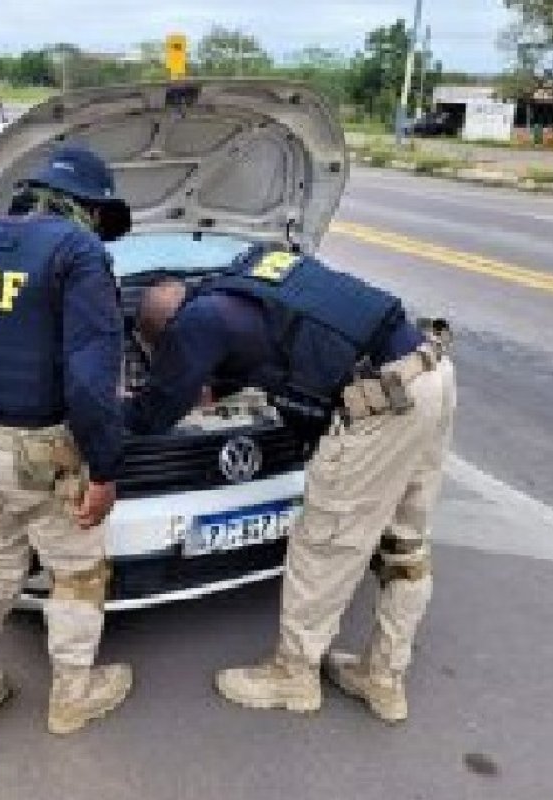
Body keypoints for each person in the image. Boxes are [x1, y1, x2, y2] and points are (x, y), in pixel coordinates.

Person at [125, 246, 456, 723]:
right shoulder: (255, 270)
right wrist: (216, 388)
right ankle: (385, 678)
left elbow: (154, 414)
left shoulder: (196, 323)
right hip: (431, 371)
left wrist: (110, 407)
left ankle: (294, 675)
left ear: (170, 330)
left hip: (382, 403)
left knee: (324, 544)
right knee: (405, 541)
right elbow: (269, 349)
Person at [0, 146, 133, 735]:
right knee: (78, 571)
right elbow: (93, 380)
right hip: (42, 455)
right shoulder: (78, 252)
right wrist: (103, 467)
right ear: (89, 209)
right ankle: (74, 694)